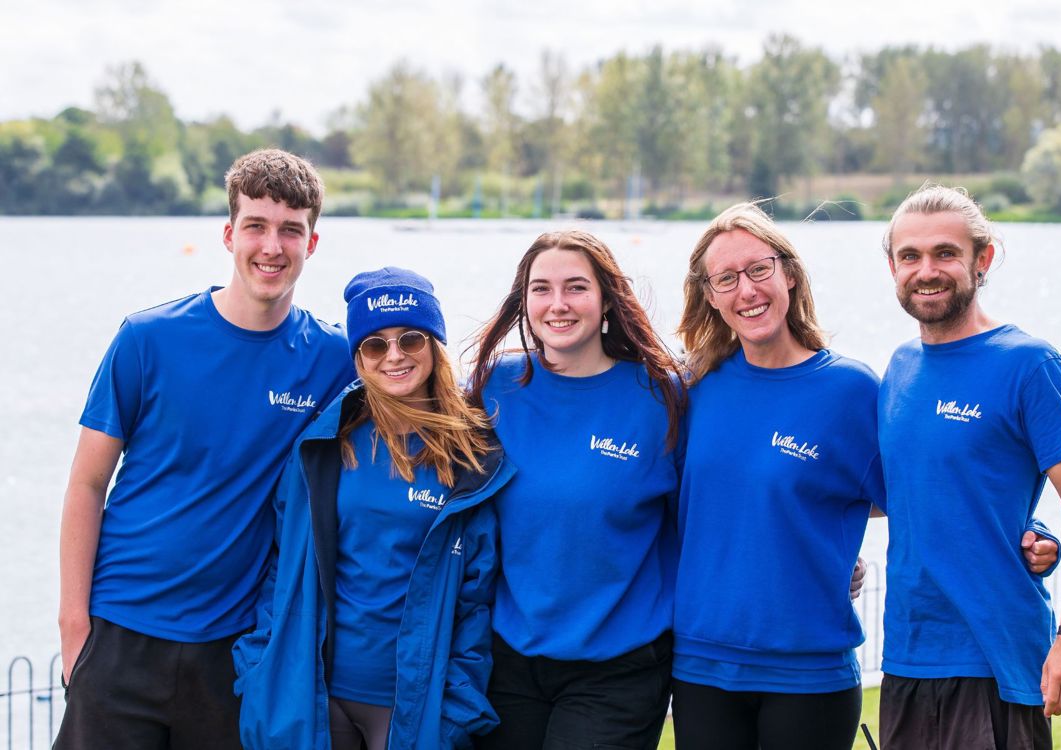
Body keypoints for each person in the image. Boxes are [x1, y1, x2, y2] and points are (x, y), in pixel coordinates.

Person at [669, 202, 1061, 750]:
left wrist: (1030, 529)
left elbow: (920, 486)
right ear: (709, 295)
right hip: (700, 667)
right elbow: (647, 499)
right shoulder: (690, 388)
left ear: (788, 273)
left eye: (760, 269)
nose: (747, 290)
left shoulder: (850, 390)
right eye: (726, 279)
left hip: (810, 673)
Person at [55, 149, 355, 748]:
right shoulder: (148, 339)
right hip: (119, 635)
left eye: (291, 230)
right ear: (229, 234)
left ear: (312, 244)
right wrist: (74, 627)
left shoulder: (334, 360)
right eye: (257, 226)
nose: (272, 246)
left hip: (233, 651)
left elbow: (417, 402)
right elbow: (87, 483)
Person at [233, 268, 511, 750]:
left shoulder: (471, 455)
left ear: (434, 345)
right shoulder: (326, 443)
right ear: (359, 358)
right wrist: (259, 665)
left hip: (412, 707)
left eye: (410, 338)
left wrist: (456, 712)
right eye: (375, 345)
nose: (395, 356)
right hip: (315, 698)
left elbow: (476, 598)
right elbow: (283, 564)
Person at [877, 185, 1061, 749]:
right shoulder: (900, 367)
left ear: (983, 259)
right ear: (892, 267)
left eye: (945, 253)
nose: (926, 270)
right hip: (907, 654)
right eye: (910, 256)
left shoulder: (1030, 364)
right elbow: (916, 492)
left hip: (994, 658)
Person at [467, 230, 687, 750]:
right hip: (508, 661)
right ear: (524, 301)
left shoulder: (662, 397)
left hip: (619, 667)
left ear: (606, 300)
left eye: (576, 287)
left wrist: (823, 557)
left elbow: (714, 508)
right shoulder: (493, 389)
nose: (558, 304)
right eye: (541, 288)